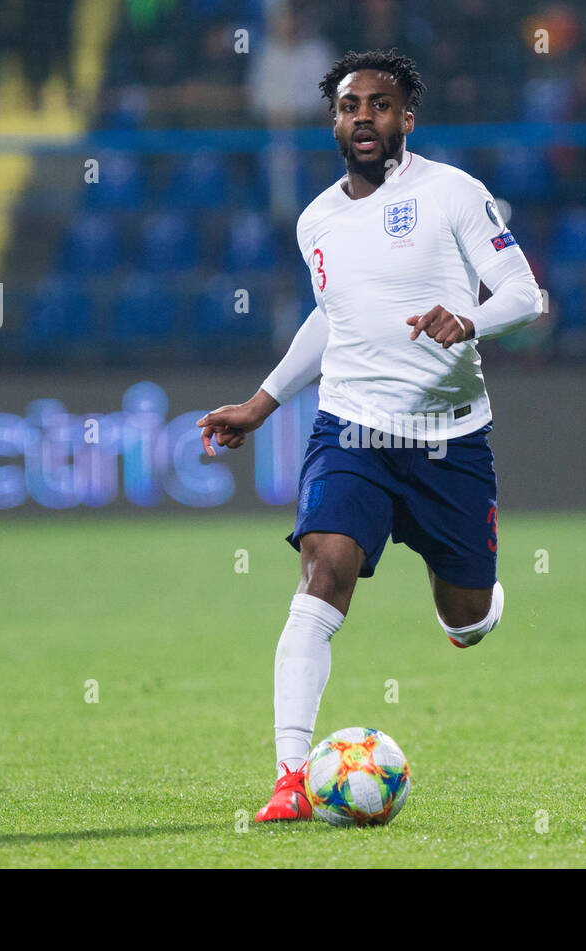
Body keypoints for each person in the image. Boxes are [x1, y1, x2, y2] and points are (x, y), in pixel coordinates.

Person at [196, 49, 544, 823]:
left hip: (452, 443)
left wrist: (470, 318)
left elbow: (525, 292)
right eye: (351, 105)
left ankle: (474, 610)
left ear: (405, 120)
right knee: (323, 572)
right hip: (351, 431)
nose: (364, 116)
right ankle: (291, 777)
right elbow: (334, 318)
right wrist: (262, 402)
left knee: (467, 616)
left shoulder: (453, 193)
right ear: (334, 120)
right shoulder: (317, 220)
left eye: (380, 105)